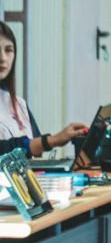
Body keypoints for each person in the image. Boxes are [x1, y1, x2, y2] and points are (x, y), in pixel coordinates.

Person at [0, 21, 85, 159]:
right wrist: (52, 140)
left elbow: (36, 150)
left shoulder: (19, 103)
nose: (3, 58)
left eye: (8, 50)